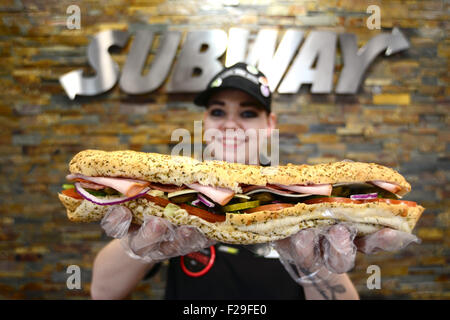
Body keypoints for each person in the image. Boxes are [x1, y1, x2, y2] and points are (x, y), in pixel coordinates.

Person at [91, 63, 394, 300]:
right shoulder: (177, 194)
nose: (230, 124)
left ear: (269, 125)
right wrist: (144, 246)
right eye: (218, 111)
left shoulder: (299, 200)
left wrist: (315, 264)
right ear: (206, 123)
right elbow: (103, 292)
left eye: (247, 113)